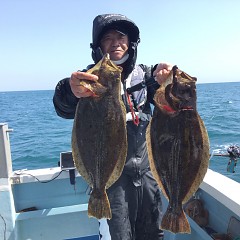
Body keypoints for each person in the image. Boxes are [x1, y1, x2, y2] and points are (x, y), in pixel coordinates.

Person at [53, 13, 172, 240]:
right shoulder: (88, 79)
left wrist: (168, 75)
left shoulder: (145, 75)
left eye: (121, 36)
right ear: (98, 45)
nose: (116, 42)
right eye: (108, 38)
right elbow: (63, 106)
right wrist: (70, 91)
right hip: (111, 181)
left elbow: (167, 96)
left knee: (153, 234)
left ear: (131, 42)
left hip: (146, 174)